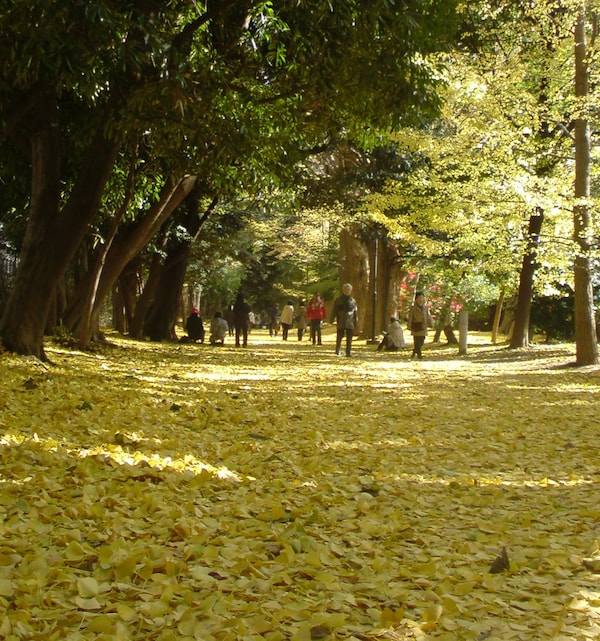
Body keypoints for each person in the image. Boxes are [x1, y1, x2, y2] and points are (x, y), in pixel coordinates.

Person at [330, 283, 358, 357]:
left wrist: (356, 321)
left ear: (350, 291)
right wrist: (332, 319)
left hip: (350, 321)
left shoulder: (353, 301)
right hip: (341, 321)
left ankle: (348, 351)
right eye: (346, 290)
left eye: (348, 290)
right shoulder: (338, 300)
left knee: (349, 338)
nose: (347, 291)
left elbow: (355, 312)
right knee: (339, 336)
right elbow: (334, 310)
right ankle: (337, 349)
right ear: (343, 290)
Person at [407, 291, 433, 359]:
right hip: (416, 326)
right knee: (416, 341)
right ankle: (419, 355)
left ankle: (414, 351)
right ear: (416, 299)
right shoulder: (413, 308)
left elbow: (428, 316)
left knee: (421, 341)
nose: (420, 299)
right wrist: (409, 326)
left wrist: (431, 324)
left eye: (422, 298)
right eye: (419, 298)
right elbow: (410, 318)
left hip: (423, 326)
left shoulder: (425, 308)